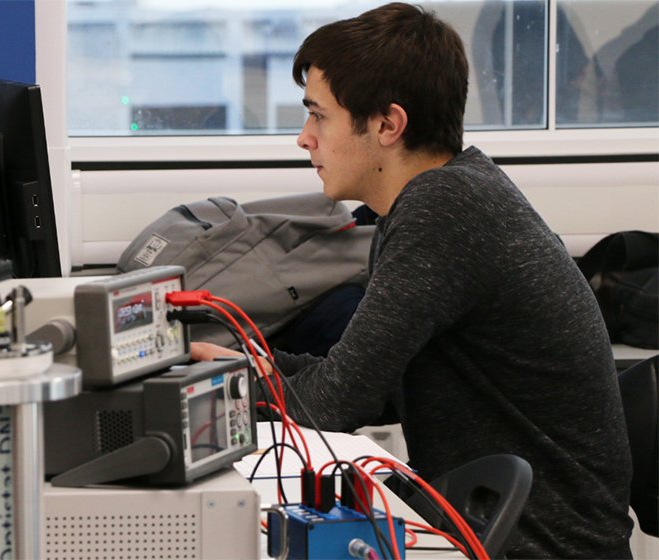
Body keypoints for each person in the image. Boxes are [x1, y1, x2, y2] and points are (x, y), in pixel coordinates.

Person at [192, 3, 633, 557]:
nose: (305, 138)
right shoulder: (446, 195)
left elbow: (335, 404)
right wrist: (254, 369)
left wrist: (230, 387)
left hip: (537, 546)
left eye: (319, 116)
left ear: (387, 125)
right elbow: (372, 390)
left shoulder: (442, 207)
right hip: (499, 529)